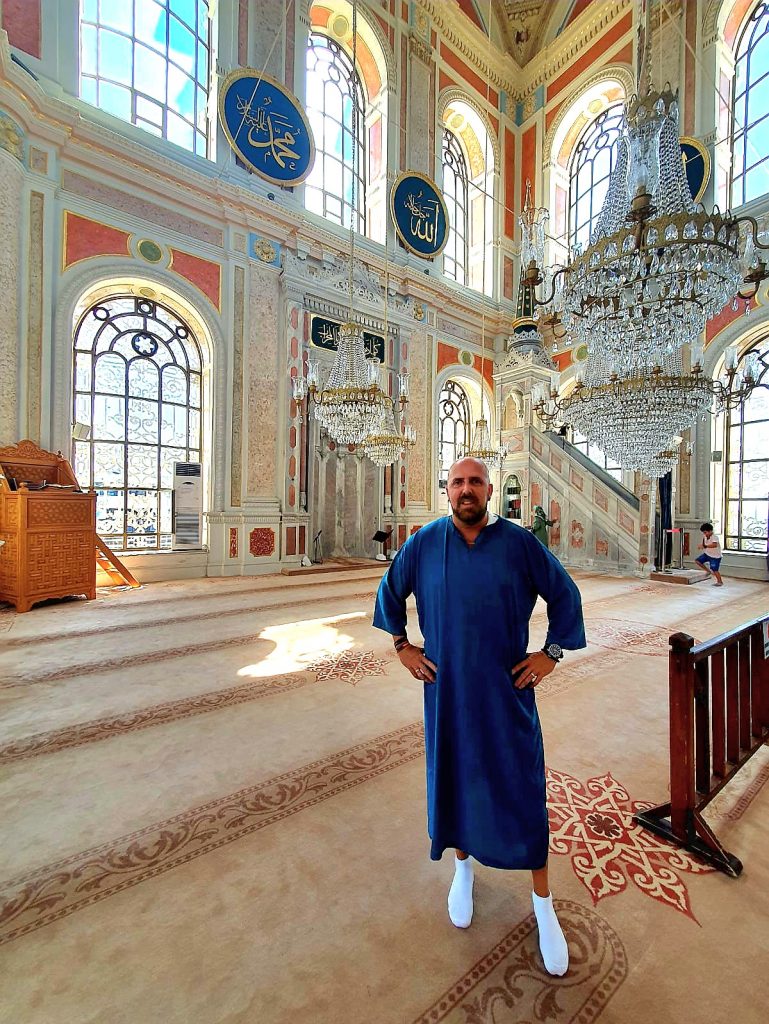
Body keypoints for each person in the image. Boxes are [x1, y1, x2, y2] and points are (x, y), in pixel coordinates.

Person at [373, 457, 586, 977]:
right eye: (457, 483)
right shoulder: (425, 543)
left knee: (522, 790)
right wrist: (402, 646)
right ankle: (462, 870)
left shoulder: (518, 544)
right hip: (447, 697)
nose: (466, 490)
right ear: (446, 491)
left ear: (490, 490)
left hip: (507, 696)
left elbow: (566, 595)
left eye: (475, 482)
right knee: (457, 782)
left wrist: (550, 654)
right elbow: (389, 591)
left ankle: (542, 903)